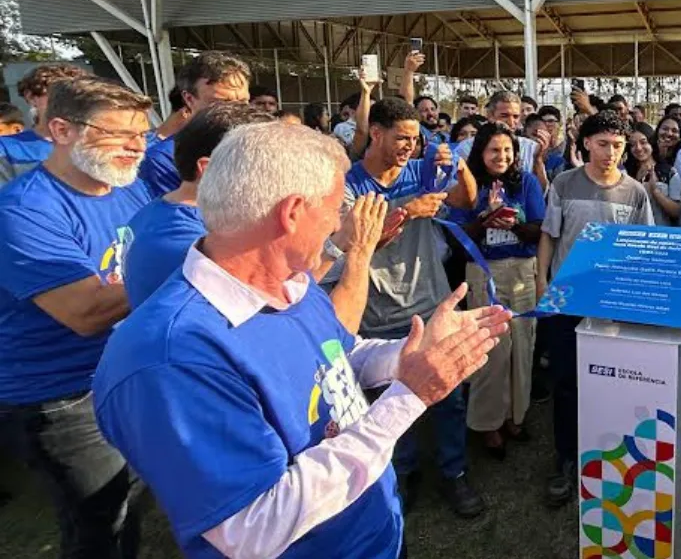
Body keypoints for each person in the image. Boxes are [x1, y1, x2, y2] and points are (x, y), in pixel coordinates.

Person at [92, 120, 510, 559]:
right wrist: (409, 396)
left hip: (375, 534)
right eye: (334, 210)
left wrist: (411, 355)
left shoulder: (292, 285)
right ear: (291, 213)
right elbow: (251, 529)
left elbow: (338, 354)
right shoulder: (170, 359)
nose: (340, 225)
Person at [0, 76, 155, 558]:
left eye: (142, 134)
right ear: (60, 129)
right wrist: (189, 262)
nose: (135, 146)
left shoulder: (128, 188)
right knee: (98, 528)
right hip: (62, 395)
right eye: (117, 134)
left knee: (129, 505)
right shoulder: (24, 210)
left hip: (122, 373)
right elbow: (86, 313)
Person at [339, 97, 484, 517]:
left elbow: (463, 201)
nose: (409, 146)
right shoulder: (350, 185)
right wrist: (405, 209)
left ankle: (454, 473)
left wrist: (457, 166)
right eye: (401, 138)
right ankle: (400, 474)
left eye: (415, 139)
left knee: (448, 399)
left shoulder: (420, 170)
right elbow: (350, 241)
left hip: (432, 304)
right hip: (379, 313)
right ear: (376, 133)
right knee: (389, 403)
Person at [536, 111, 654, 508]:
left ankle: (610, 456)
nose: (611, 153)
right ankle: (565, 457)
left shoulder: (636, 192)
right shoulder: (564, 183)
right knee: (567, 383)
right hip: (567, 302)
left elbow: (643, 249)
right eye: (602, 144)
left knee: (611, 383)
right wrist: (542, 285)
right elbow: (549, 237)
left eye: (618, 146)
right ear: (586, 143)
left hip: (613, 306)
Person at [122, 103, 274, 308]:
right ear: (209, 169)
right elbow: (276, 305)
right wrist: (331, 250)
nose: (275, 179)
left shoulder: (161, 212)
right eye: (265, 166)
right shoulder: (185, 240)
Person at [453, 123, 544, 459]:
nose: (502, 156)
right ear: (480, 152)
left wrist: (515, 225)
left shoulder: (527, 182)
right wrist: (484, 220)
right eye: (494, 150)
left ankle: (514, 416)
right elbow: (458, 239)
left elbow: (538, 229)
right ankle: (488, 423)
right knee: (491, 351)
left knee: (522, 346)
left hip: (522, 270)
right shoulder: (468, 186)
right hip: (484, 271)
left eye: (507, 150)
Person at [139, 51, 251, 195]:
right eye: (222, 103)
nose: (236, 111)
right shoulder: (162, 160)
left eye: (243, 102)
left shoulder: (259, 144)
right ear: (189, 99)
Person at [0, 63, 87, 186]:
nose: (68, 102)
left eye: (77, 96)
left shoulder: (96, 144)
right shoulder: (6, 149)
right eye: (58, 95)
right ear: (31, 97)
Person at [453, 91, 548, 190]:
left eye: (515, 116)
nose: (511, 122)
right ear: (490, 116)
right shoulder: (465, 148)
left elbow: (541, 191)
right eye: (504, 116)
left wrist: (538, 161)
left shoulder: (531, 147)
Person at [624, 126, 681, 226]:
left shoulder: (668, 172)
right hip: (632, 233)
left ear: (652, 143)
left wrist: (656, 191)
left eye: (643, 142)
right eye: (633, 144)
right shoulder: (625, 172)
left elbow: (676, 211)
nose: (638, 148)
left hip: (660, 233)